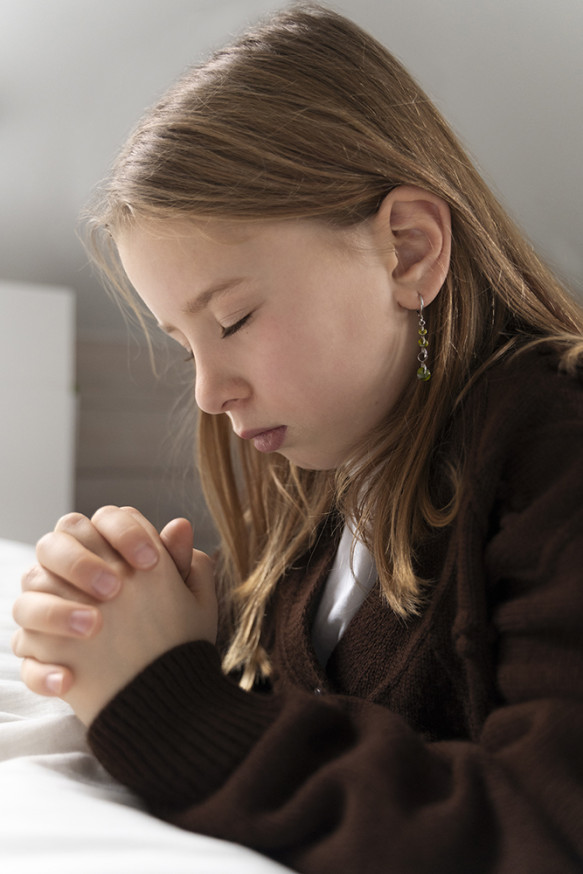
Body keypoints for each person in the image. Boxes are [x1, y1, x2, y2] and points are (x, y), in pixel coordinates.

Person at [11, 4, 583, 872]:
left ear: (408, 250)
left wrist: (167, 703)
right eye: (183, 343)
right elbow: (325, 707)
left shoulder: (553, 449)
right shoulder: (330, 472)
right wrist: (158, 627)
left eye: (233, 319)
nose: (209, 392)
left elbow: (543, 828)